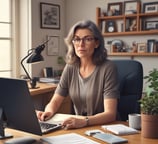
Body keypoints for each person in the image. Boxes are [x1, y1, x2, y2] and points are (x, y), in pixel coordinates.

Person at [37, 20, 119, 129]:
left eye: (88, 39)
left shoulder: (108, 68)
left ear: (97, 43)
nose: (81, 44)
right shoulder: (70, 67)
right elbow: (56, 101)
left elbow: (110, 114)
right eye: (77, 39)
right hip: (79, 127)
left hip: (104, 127)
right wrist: (47, 112)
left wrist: (85, 121)